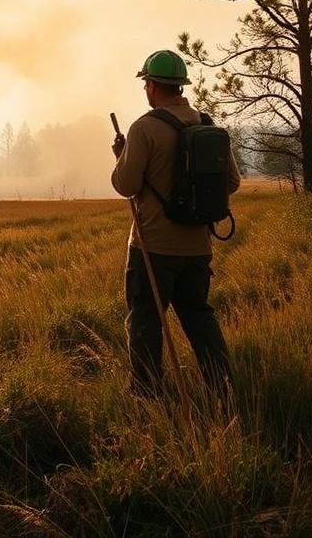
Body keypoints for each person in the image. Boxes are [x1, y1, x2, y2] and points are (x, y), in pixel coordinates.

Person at [111, 49, 240, 399]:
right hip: (197, 246)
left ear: (151, 85)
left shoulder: (143, 128)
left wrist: (122, 156)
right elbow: (231, 183)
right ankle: (223, 386)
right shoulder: (207, 127)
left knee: (145, 319)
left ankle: (147, 392)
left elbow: (125, 185)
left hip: (152, 247)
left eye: (146, 83)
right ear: (180, 85)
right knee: (199, 315)